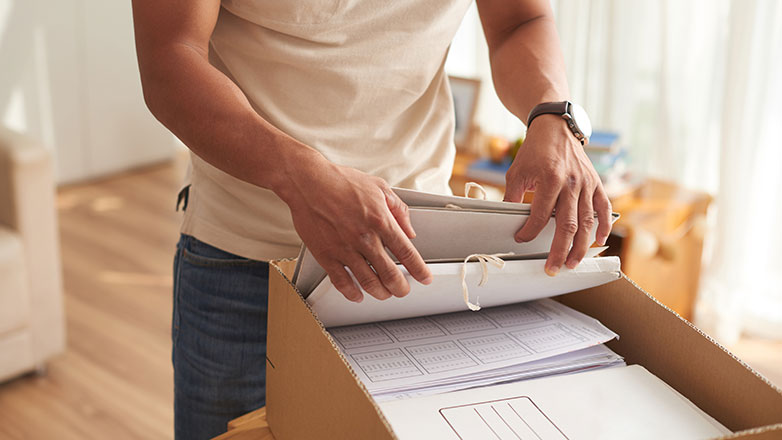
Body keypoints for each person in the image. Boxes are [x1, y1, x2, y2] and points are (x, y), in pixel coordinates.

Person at [131, 0, 612, 438]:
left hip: (423, 263)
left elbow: (518, 20)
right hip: (248, 264)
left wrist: (554, 114)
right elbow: (170, 58)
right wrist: (301, 177)